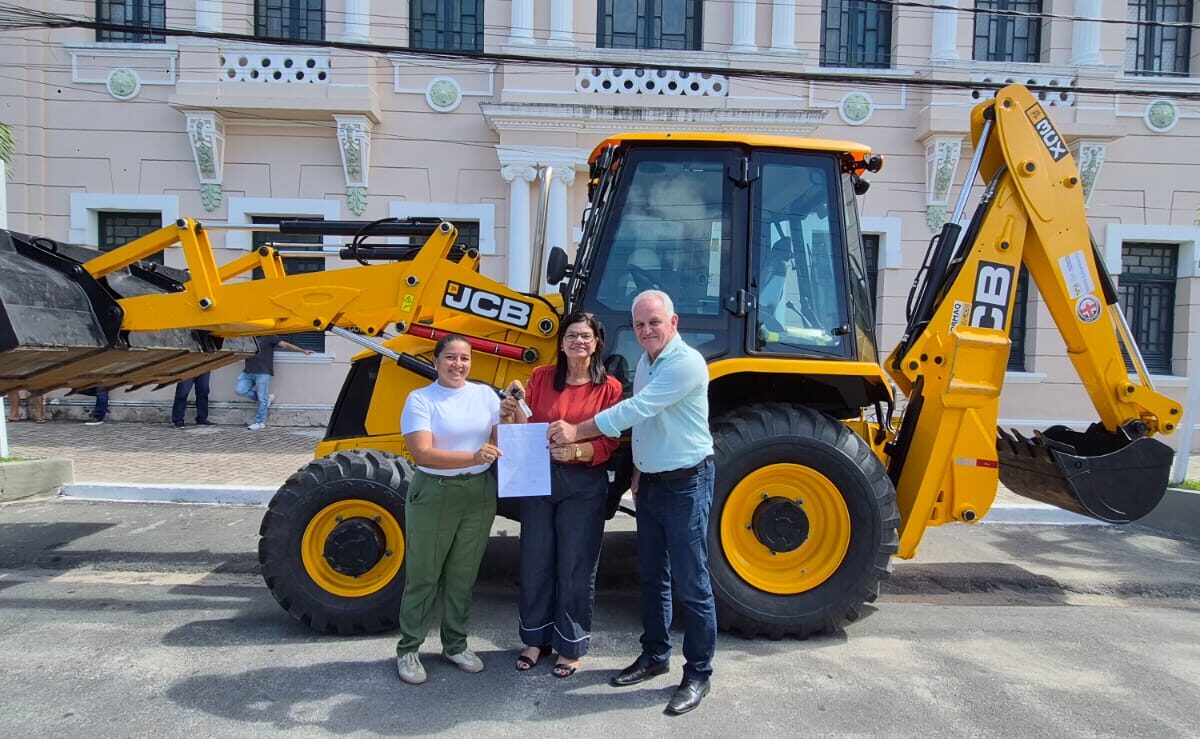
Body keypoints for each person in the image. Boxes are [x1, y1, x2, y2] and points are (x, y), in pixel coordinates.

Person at [547, 289, 716, 716]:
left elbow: (636, 410)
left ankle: (698, 673)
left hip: (686, 484)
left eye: (654, 322)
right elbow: (647, 426)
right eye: (639, 324)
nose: (645, 331)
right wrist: (638, 471)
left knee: (692, 584)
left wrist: (576, 431)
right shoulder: (646, 360)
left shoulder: (684, 363)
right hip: (654, 483)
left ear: (673, 323)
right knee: (653, 576)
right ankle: (655, 655)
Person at [500, 312, 622, 679]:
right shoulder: (539, 378)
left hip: (584, 484)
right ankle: (535, 639)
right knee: (535, 559)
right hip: (538, 479)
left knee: (575, 566)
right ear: (562, 341)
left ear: (597, 341)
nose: (578, 342)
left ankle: (571, 645)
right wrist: (509, 413)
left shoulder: (610, 387)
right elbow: (525, 429)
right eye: (572, 335)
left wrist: (578, 451)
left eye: (585, 336)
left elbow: (611, 440)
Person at [395, 334, 502, 686]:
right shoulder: (421, 399)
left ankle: (455, 644)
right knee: (424, 574)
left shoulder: (485, 395)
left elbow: (503, 439)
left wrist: (514, 410)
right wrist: (474, 456)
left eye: (465, 358)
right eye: (451, 358)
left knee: (463, 574)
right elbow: (422, 453)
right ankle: (409, 648)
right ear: (437, 360)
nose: (459, 364)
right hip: (436, 491)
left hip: (479, 493)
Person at [236, 334, 313, 430]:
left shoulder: (269, 336)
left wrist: (303, 351)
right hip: (248, 371)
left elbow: (285, 345)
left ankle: (260, 422)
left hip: (263, 372)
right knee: (240, 391)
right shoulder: (248, 337)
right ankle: (266, 399)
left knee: (262, 399)